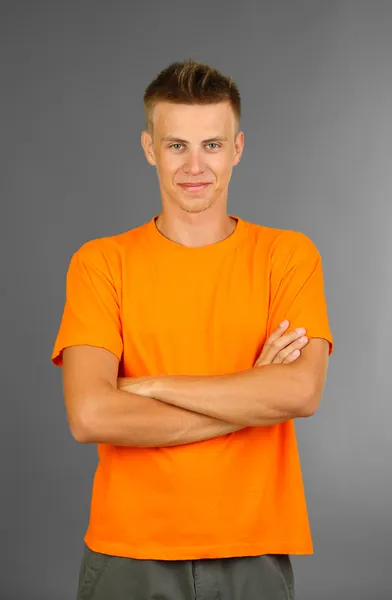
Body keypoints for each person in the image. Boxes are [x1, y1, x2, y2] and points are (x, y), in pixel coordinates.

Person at [51, 59, 333, 600]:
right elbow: (90, 415)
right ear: (149, 149)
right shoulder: (100, 262)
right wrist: (250, 391)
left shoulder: (287, 256)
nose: (194, 164)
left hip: (254, 548)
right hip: (128, 552)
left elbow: (300, 390)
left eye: (212, 144)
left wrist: (153, 385)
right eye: (176, 145)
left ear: (238, 148)